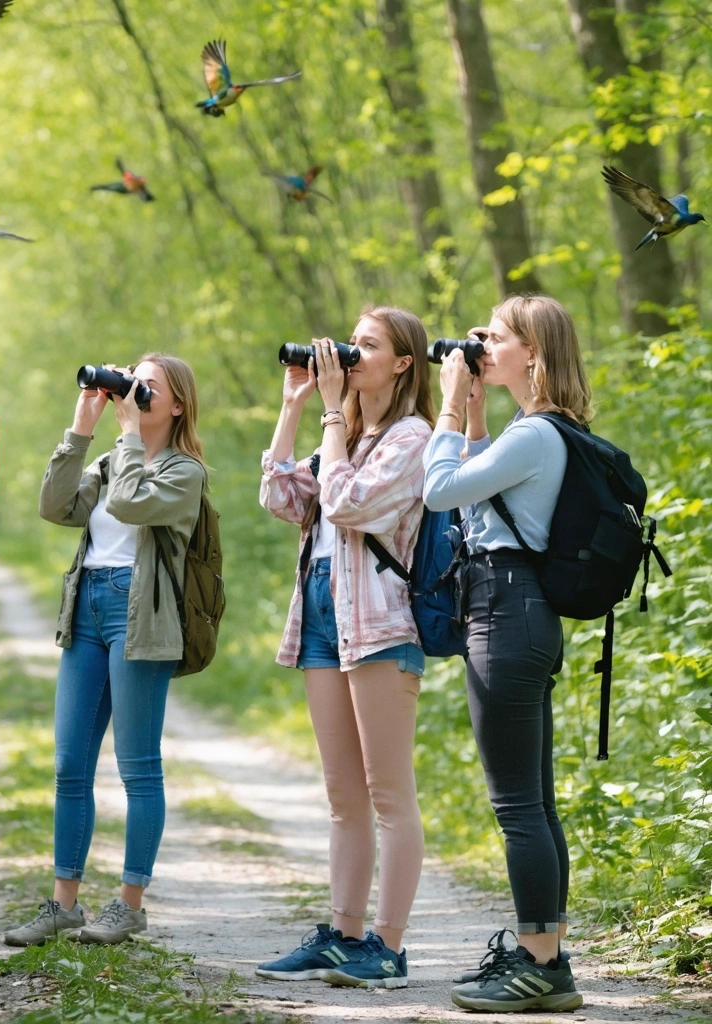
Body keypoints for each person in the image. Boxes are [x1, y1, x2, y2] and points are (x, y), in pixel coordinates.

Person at [256, 306, 435, 989]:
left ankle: (387, 947)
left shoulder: (411, 437)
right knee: (343, 794)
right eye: (350, 343)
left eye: (367, 346)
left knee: (389, 794)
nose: (351, 354)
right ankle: (343, 933)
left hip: (383, 626)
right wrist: (296, 406)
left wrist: (334, 417)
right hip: (325, 619)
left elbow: (349, 505)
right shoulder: (348, 434)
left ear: (402, 363)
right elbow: (280, 497)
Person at [422, 294, 590, 1013]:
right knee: (536, 803)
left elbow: (437, 493)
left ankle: (540, 964)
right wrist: (479, 418)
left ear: (535, 354)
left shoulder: (536, 436)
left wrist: (449, 409)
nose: (480, 344)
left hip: (506, 615)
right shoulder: (537, 433)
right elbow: (478, 506)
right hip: (522, 613)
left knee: (518, 804)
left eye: (496, 336)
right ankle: (542, 953)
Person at [4, 354, 205, 947]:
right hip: (88, 607)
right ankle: (64, 904)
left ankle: (129, 903)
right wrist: (82, 427)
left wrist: (126, 437)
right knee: (69, 764)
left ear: (176, 405)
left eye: (149, 388)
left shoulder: (184, 471)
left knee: (137, 767)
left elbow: (130, 505)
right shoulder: (110, 455)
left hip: (140, 617)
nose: (135, 394)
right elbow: (55, 506)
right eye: (131, 382)